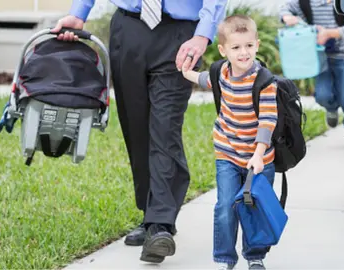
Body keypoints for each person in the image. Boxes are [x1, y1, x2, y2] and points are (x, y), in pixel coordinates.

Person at [52, 0, 228, 264]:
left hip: (180, 36)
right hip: (129, 28)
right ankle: (151, 214)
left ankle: (161, 224)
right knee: (137, 129)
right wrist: (79, 13)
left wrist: (203, 34)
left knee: (164, 129)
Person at [181, 15, 278, 270]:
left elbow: (268, 121)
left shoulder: (264, 82)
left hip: (259, 159)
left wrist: (258, 155)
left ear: (257, 45)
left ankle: (255, 256)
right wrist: (186, 72)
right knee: (225, 206)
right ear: (224, 50)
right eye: (236, 48)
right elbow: (205, 80)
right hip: (227, 153)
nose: (243, 53)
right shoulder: (221, 72)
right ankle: (225, 258)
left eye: (248, 46)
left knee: (254, 208)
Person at [279, 0, 344, 136]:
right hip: (319, 57)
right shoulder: (305, 2)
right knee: (323, 95)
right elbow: (285, 8)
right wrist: (286, 17)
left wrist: (329, 33)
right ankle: (332, 108)